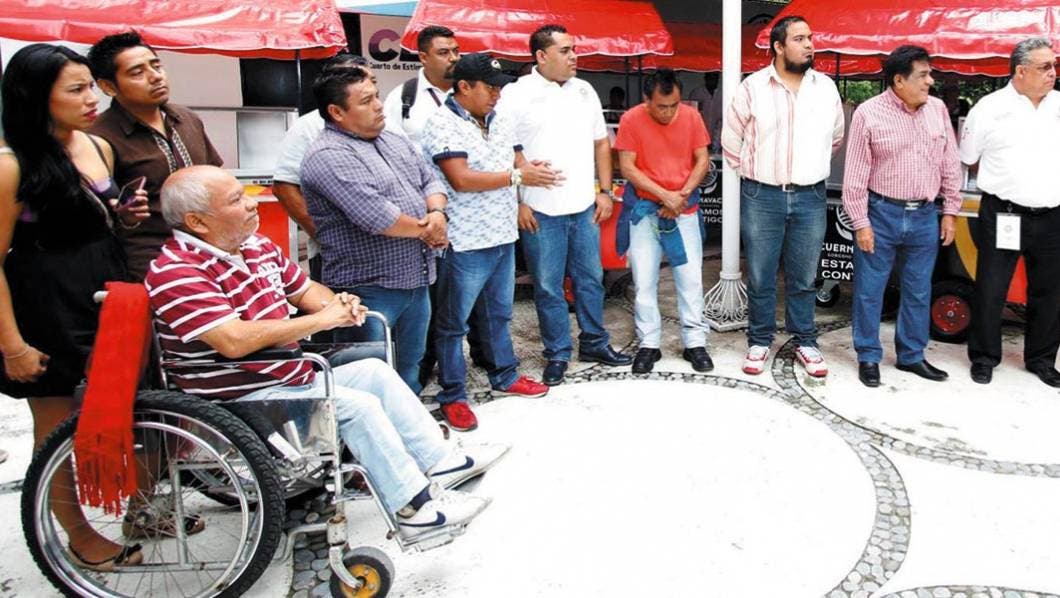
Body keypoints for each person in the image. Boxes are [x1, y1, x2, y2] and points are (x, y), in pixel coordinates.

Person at [146, 165, 503, 539]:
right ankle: (414, 508)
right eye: (237, 199)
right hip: (241, 397)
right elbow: (232, 340)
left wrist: (338, 305)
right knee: (355, 407)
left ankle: (442, 461)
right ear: (197, 222)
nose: (252, 204)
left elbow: (303, 290)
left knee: (374, 371)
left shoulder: (254, 246)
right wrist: (318, 321)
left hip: (286, 376)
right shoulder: (177, 271)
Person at [0, 43, 149, 571]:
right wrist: (13, 345)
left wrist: (124, 215)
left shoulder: (96, 145)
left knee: (125, 406)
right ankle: (78, 535)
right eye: (76, 89)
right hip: (45, 302)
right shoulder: (11, 166)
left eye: (91, 87)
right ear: (36, 96)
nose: (92, 99)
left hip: (107, 291)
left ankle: (137, 507)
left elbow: (98, 220)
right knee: (57, 423)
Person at [420, 54, 561, 430]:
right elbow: (461, 178)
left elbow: (518, 162)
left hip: (502, 235)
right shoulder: (441, 123)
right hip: (463, 240)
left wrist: (529, 174)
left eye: (500, 87)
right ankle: (453, 395)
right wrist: (518, 177)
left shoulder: (502, 118)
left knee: (500, 315)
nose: (497, 93)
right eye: (490, 87)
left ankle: (504, 374)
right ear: (464, 87)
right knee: (453, 324)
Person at [497, 24, 632, 386]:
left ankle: (594, 342)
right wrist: (518, 200)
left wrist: (605, 191)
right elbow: (503, 146)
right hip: (539, 210)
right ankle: (557, 352)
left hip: (583, 205)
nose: (574, 57)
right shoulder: (516, 94)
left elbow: (601, 143)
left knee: (591, 280)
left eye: (574, 49)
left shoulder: (584, 90)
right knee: (548, 286)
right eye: (565, 51)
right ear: (541, 56)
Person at [301, 67, 447, 393]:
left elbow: (430, 180)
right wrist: (430, 230)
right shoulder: (328, 155)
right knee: (368, 373)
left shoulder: (392, 139)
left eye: (377, 96)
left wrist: (437, 212)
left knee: (411, 365)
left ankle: (407, 419)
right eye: (366, 101)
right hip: (368, 288)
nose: (379, 106)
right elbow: (378, 217)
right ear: (337, 112)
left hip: (415, 278)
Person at [721, 15, 844, 378]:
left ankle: (805, 340)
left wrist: (807, 169)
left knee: (804, 275)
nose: (809, 45)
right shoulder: (753, 88)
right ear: (778, 46)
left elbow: (835, 139)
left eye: (810, 38)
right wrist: (756, 173)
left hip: (810, 196)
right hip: (762, 195)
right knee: (761, 273)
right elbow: (731, 140)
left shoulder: (825, 89)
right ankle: (759, 340)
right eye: (799, 39)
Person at [842, 45, 962, 388]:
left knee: (919, 290)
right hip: (881, 213)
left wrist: (950, 212)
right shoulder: (869, 113)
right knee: (870, 290)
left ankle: (911, 355)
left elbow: (950, 163)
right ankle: (868, 355)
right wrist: (861, 223)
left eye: (929, 74)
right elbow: (855, 174)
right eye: (922, 75)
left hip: (925, 215)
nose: (930, 81)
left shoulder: (938, 110)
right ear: (898, 80)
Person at [381, 25, 491, 387]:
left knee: (479, 295)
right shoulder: (404, 98)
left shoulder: (473, 93)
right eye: (444, 52)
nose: (453, 58)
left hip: (475, 212)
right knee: (435, 294)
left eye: (456, 51)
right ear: (423, 56)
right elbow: (389, 153)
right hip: (427, 214)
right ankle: (428, 363)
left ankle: (486, 355)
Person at [960, 37, 1060, 388]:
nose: (1053, 72)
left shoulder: (1058, 104)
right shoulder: (990, 107)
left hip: (1052, 215)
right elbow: (968, 156)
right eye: (1045, 66)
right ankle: (984, 357)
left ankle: (1041, 359)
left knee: (1050, 291)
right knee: (991, 286)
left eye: (1054, 65)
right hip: (1004, 213)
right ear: (1020, 71)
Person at [88, 31, 223, 280]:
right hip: (150, 261)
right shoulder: (99, 136)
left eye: (156, 66)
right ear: (108, 86)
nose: (155, 76)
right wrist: (125, 215)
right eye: (137, 72)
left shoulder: (187, 119)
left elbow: (216, 176)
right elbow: (98, 216)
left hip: (209, 250)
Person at [615, 68, 713, 374]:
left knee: (691, 278)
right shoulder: (631, 119)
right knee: (644, 280)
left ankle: (695, 342)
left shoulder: (691, 117)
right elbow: (627, 167)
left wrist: (679, 197)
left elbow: (702, 160)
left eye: (674, 105)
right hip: (645, 212)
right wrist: (664, 196)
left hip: (683, 210)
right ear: (647, 100)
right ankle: (649, 343)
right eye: (661, 106)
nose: (669, 113)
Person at [273, 53, 374, 283]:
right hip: (336, 255)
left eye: (371, 80)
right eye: (354, 79)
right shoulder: (308, 127)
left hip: (387, 250)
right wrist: (324, 236)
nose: (366, 86)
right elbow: (284, 187)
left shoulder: (386, 125)